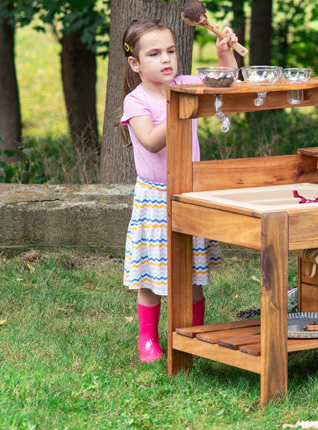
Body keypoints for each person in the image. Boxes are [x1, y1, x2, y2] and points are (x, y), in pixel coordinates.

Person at [120, 19, 238, 363]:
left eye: (170, 51)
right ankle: (147, 340)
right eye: (154, 54)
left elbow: (225, 88)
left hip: (190, 192)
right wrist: (180, 103)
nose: (166, 59)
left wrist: (223, 53)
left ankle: (192, 335)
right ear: (135, 63)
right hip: (155, 199)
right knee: (151, 275)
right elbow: (152, 142)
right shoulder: (136, 101)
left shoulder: (186, 83)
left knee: (193, 272)